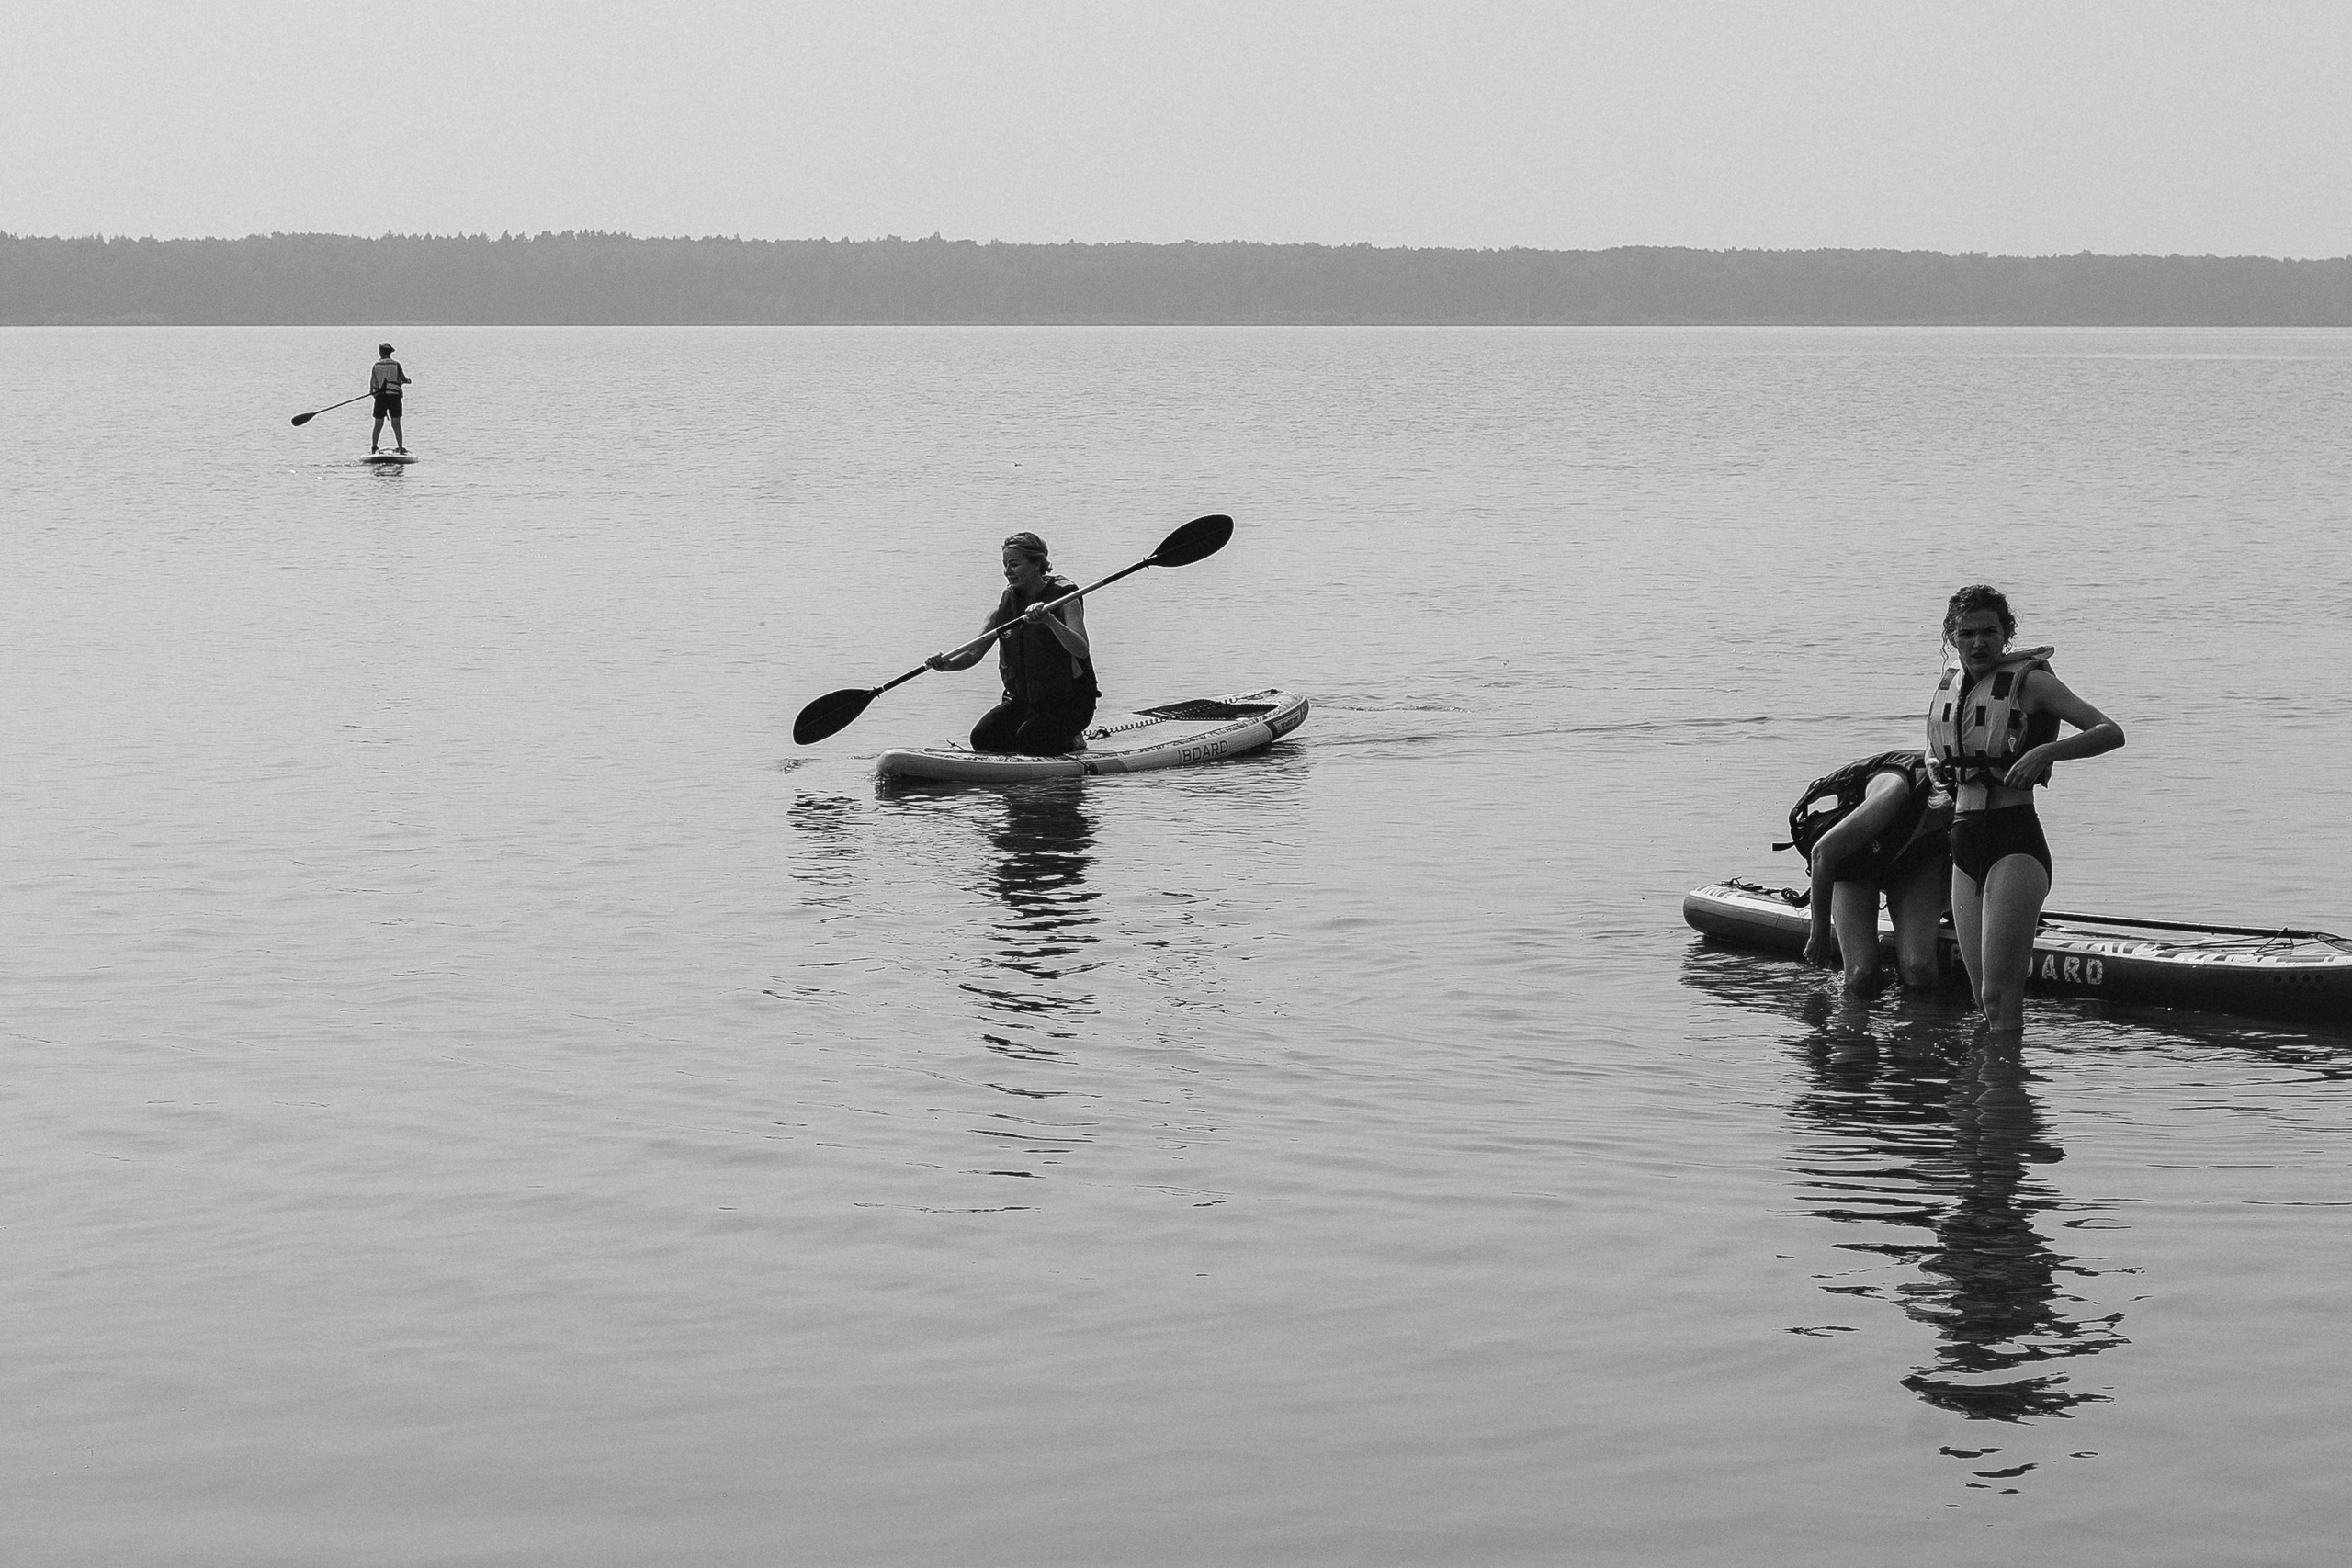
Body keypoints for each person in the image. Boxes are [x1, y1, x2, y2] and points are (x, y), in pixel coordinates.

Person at [1927, 584, 2125, 1032]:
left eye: (1990, 632)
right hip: (1964, 843)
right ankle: (1992, 1093)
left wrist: (2044, 754)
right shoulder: (1951, 689)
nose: (1979, 643)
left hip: (2013, 841)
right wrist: (1937, 772)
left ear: (2006, 635)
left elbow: (2109, 731)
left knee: (2001, 995)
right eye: (1967, 634)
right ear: (1951, 638)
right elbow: (1935, 751)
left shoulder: (2031, 682)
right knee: (1982, 998)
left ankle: (2009, 1095)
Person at [926, 532, 1100, 753]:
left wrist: (1049, 621)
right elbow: (972, 654)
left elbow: (1081, 649)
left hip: (1068, 704)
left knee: (1030, 740)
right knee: (983, 738)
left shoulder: (1065, 599)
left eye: (1015, 564)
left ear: (1036, 564)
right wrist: (945, 665)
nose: (1007, 571)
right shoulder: (1004, 608)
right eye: (1005, 564)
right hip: (1023, 702)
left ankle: (1073, 740)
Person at [1795, 750, 1952, 991]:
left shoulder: (1971, 808)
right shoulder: (1894, 792)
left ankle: (1921, 1024)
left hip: (1918, 861)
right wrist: (1820, 934)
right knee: (1861, 975)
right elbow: (1822, 853)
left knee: (1918, 967)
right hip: (1857, 861)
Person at [369, 343, 411, 454]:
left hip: (380, 397)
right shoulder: (396, 364)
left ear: (380, 352)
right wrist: (408, 381)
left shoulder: (376, 365)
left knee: (378, 423)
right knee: (396, 423)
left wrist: (375, 395)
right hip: (394, 397)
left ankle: (374, 447)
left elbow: (373, 384)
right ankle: (400, 448)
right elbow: (403, 379)